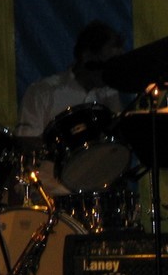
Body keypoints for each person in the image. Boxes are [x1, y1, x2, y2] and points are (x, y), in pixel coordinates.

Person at [13, 20, 125, 200]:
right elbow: (24, 142)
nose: (111, 71)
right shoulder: (44, 92)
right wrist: (65, 147)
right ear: (87, 57)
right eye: (107, 63)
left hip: (98, 195)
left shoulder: (109, 95)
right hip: (51, 194)